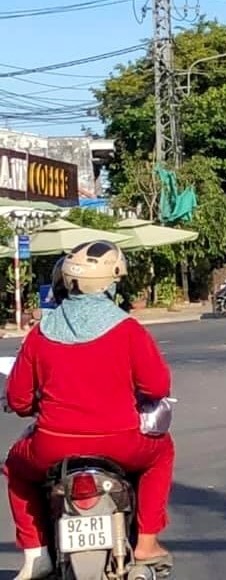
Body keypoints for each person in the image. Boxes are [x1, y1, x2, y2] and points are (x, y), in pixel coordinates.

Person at [3, 240, 174, 579]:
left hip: (52, 446)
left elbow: (20, 401)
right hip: (123, 443)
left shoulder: (40, 334)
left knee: (16, 468)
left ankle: (36, 554)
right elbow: (157, 388)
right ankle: (146, 544)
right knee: (162, 452)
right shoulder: (128, 329)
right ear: (112, 283)